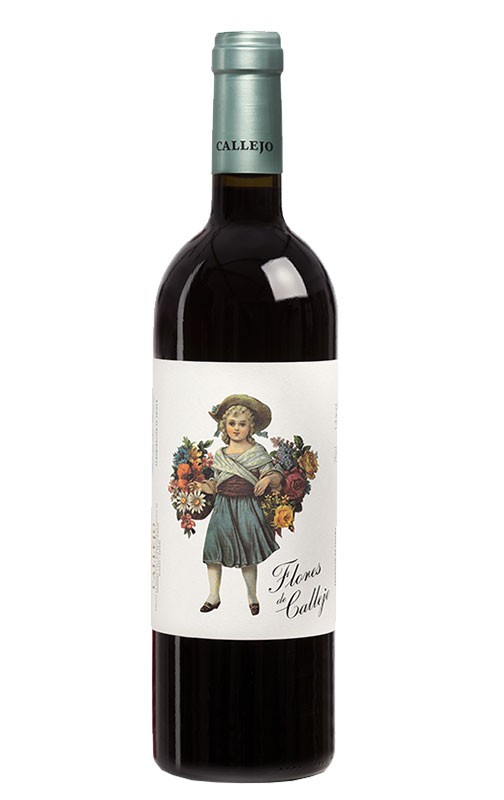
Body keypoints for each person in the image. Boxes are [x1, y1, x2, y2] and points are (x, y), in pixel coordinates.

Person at [189, 394, 283, 616]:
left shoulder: (257, 452)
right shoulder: (220, 455)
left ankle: (252, 595)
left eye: (242, 424)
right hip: (223, 507)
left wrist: (267, 479)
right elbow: (217, 483)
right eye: (232, 423)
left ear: (251, 427)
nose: (236, 428)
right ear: (225, 426)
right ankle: (214, 595)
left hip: (247, 507)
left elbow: (274, 474)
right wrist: (204, 487)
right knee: (213, 551)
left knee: (248, 554)